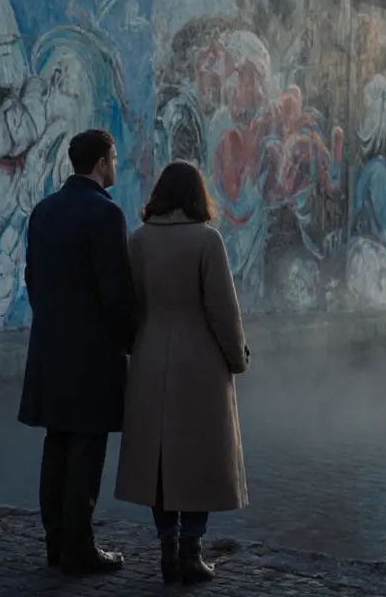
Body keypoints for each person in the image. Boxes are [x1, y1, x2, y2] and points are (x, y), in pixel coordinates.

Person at [114, 160, 251, 585]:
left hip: (151, 354)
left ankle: (167, 548)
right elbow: (222, 311)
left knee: (160, 458)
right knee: (197, 457)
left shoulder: (137, 241)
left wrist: (136, 344)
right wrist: (237, 357)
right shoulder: (207, 240)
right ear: (197, 195)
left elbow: (129, 305)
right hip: (201, 361)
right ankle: (191, 553)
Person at [17, 129, 137, 577]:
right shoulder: (106, 215)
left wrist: (54, 323)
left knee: (58, 443)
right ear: (102, 162)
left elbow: (32, 279)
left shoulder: (43, 211)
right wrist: (130, 341)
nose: (116, 166)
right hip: (92, 354)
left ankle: (55, 541)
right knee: (87, 450)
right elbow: (115, 294)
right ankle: (79, 547)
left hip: (50, 346)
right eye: (115, 158)